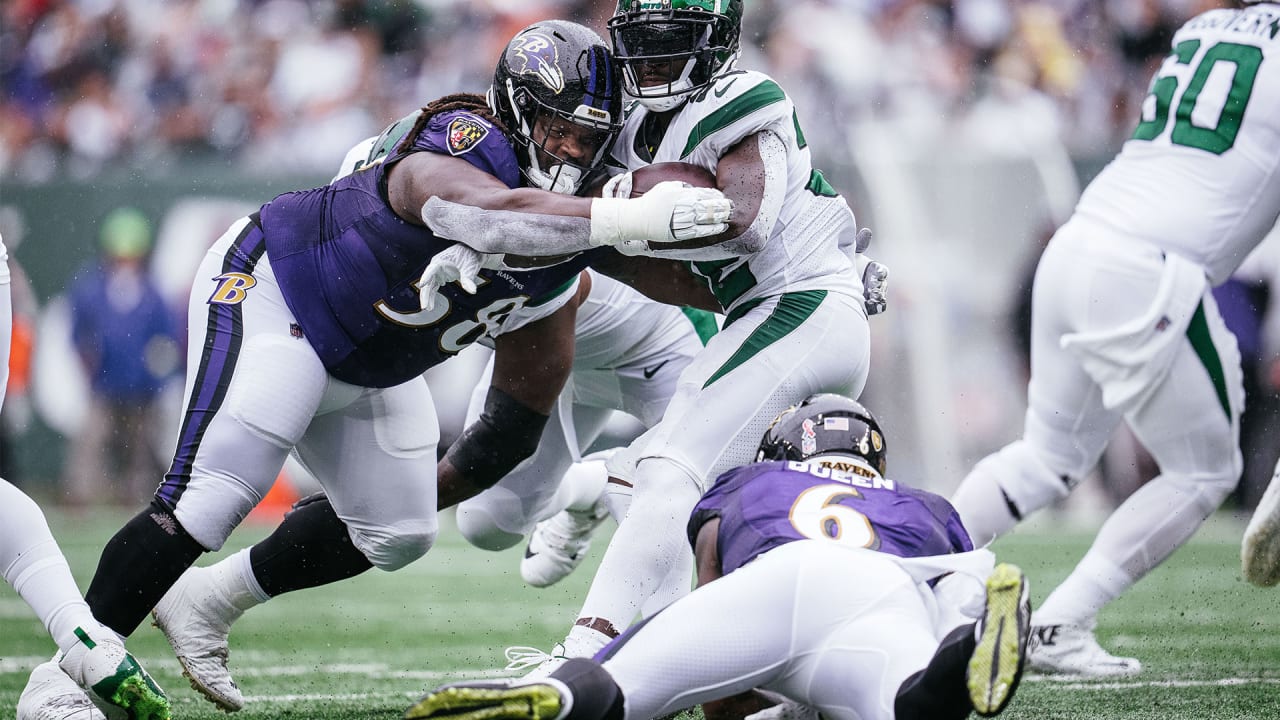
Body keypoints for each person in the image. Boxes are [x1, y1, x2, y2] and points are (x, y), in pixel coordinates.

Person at [18, 19, 731, 715]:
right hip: (278, 294)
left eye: (588, 138)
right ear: (518, 111)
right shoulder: (464, 139)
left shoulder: (565, 254)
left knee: (399, 532)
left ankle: (205, 602)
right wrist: (624, 219)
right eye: (558, 131)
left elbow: (512, 427)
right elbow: (486, 216)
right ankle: (62, 677)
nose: (572, 153)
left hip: (363, 367)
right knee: (211, 495)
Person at [435, 0, 884, 670]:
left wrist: (627, 202)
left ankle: (588, 655)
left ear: (718, 42)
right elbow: (610, 247)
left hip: (801, 308)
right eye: (641, 42)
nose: (652, 60)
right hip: (765, 312)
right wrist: (510, 244)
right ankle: (679, 651)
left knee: (671, 470)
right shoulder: (623, 119)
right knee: (663, 487)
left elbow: (747, 221)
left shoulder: (742, 97)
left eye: (672, 43)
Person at [950, 0, 1280, 677]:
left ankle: (915, 568)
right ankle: (1063, 623)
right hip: (1147, 267)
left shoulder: (1203, 27)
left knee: (1045, 459)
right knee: (1205, 470)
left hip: (1078, 241)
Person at [405, 395, 1031, 720]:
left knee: (619, 691)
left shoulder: (750, 486)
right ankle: (961, 651)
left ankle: (560, 698)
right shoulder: (923, 505)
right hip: (882, 594)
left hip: (774, 578)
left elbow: (722, 703)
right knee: (909, 704)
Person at [0, 229, 171, 720]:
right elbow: (78, 326)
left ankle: (85, 640)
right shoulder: (94, 286)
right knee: (92, 447)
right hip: (108, 379)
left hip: (135, 381)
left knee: (137, 454)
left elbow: (162, 330)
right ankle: (86, 639)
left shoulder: (145, 289)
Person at [62, 206, 181, 506]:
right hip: (103, 381)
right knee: (92, 440)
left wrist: (156, 369)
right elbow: (77, 332)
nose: (125, 263)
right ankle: (82, 495)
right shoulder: (90, 288)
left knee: (140, 446)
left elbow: (166, 337)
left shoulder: (152, 292)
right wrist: (89, 360)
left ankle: (135, 495)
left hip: (142, 385)